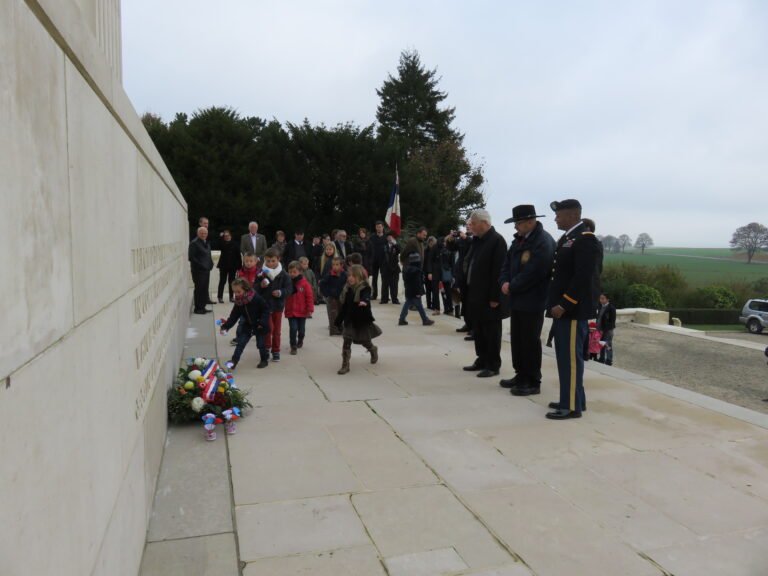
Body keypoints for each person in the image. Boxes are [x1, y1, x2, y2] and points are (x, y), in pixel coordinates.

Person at [545, 199, 602, 420]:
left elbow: (583, 278)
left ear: (571, 216)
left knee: (570, 359)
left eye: (559, 215)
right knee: (565, 357)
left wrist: (564, 304)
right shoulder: (569, 238)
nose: (556, 219)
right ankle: (574, 398)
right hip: (564, 309)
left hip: (572, 311)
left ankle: (570, 406)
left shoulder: (585, 240)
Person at [498, 204, 556, 396]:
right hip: (517, 298)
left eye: (519, 223)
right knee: (518, 339)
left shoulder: (543, 241)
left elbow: (536, 272)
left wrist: (511, 285)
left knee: (530, 341)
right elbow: (506, 264)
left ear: (531, 222)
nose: (516, 227)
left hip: (533, 299)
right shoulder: (519, 240)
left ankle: (532, 380)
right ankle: (520, 374)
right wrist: (504, 281)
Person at [462, 210, 508, 378]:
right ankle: (481, 359)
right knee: (479, 330)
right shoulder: (478, 241)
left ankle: (493, 364)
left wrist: (495, 297)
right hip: (476, 294)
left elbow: (498, 271)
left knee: (491, 332)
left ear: (484, 223)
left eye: (473, 223)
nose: (471, 227)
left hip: (490, 297)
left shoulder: (497, 241)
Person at [334, 264, 381, 374]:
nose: (350, 278)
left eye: (353, 276)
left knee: (365, 341)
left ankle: (372, 349)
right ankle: (345, 365)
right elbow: (345, 307)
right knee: (347, 341)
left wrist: (364, 301)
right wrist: (338, 320)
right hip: (349, 321)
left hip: (361, 321)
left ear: (360, 277)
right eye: (349, 275)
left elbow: (366, 295)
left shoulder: (365, 288)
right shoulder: (348, 290)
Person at [219, 277, 271, 369]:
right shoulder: (238, 302)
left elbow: (266, 311)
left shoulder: (256, 298)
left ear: (246, 289)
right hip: (248, 325)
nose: (236, 294)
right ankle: (234, 362)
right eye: (234, 292)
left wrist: (262, 323)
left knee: (261, 344)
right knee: (240, 344)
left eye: (238, 292)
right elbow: (233, 316)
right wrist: (226, 326)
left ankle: (264, 359)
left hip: (260, 325)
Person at [256, 248, 292, 362]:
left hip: (278, 306)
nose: (270, 263)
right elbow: (254, 288)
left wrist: (281, 292)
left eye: (273, 261)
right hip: (265, 307)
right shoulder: (261, 273)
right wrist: (260, 286)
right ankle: (266, 348)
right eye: (268, 261)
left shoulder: (284, 274)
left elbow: (289, 289)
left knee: (277, 331)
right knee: (268, 329)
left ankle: (276, 350)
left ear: (278, 260)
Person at [285, 261, 314, 355]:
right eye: (290, 272)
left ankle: (300, 339)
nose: (292, 274)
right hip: (291, 311)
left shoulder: (305, 284)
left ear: (300, 272)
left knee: (301, 330)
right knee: (293, 329)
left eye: (294, 272)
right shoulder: (287, 283)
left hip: (302, 311)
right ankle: (293, 346)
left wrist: (310, 309)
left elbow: (309, 297)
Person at [399, 252, 435, 326]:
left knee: (407, 304)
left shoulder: (407, 270)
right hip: (415, 292)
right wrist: (418, 293)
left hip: (409, 291)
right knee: (419, 306)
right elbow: (417, 283)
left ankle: (401, 319)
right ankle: (425, 320)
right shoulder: (417, 271)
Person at [319, 256, 347, 335]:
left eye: (337, 264)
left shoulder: (345, 275)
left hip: (342, 298)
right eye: (333, 264)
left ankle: (341, 328)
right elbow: (321, 284)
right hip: (332, 298)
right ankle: (334, 330)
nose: (335, 266)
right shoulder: (329, 275)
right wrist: (326, 294)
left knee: (341, 313)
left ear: (341, 265)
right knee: (333, 314)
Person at [189, 226, 213, 314]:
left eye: (205, 233)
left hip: (206, 270)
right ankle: (198, 308)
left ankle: (202, 307)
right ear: (198, 233)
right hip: (198, 271)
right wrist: (202, 266)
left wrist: (211, 264)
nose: (204, 235)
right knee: (199, 289)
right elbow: (191, 257)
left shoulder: (205, 242)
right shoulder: (194, 243)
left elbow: (208, 254)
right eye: (202, 233)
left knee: (204, 289)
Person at [216, 229, 241, 303]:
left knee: (232, 282)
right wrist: (220, 237)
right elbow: (217, 245)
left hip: (233, 266)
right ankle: (220, 297)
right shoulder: (222, 243)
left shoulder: (235, 244)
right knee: (222, 281)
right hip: (223, 266)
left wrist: (239, 267)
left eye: (228, 235)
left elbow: (238, 256)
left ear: (231, 236)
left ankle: (231, 297)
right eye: (225, 236)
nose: (226, 237)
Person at [380, 233, 401, 304]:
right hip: (385, 268)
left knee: (394, 285)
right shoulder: (384, 246)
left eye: (391, 237)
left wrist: (394, 244)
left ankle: (394, 299)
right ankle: (384, 299)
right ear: (386, 238)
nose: (389, 238)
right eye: (388, 237)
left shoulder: (396, 245)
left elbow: (399, 250)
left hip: (394, 268)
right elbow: (381, 257)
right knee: (385, 285)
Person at [369, 221, 388, 300]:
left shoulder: (386, 237)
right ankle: (374, 295)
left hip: (384, 261)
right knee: (374, 279)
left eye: (380, 227)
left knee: (385, 279)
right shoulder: (372, 237)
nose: (378, 228)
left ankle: (385, 295)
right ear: (375, 228)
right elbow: (369, 248)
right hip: (374, 261)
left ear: (383, 227)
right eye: (377, 227)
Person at [597, 292, 616, 365]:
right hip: (600, 329)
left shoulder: (611, 308)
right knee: (601, 344)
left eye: (603, 298)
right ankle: (601, 358)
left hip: (607, 330)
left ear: (607, 299)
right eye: (600, 298)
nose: (601, 300)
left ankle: (609, 360)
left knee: (608, 344)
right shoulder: (599, 306)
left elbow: (612, 322)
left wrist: (604, 330)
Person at [424, 236, 441, 314]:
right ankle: (428, 305)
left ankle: (435, 306)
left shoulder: (437, 251)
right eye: (430, 244)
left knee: (434, 290)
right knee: (428, 290)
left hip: (434, 273)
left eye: (432, 243)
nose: (431, 245)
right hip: (427, 272)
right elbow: (425, 262)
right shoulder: (426, 251)